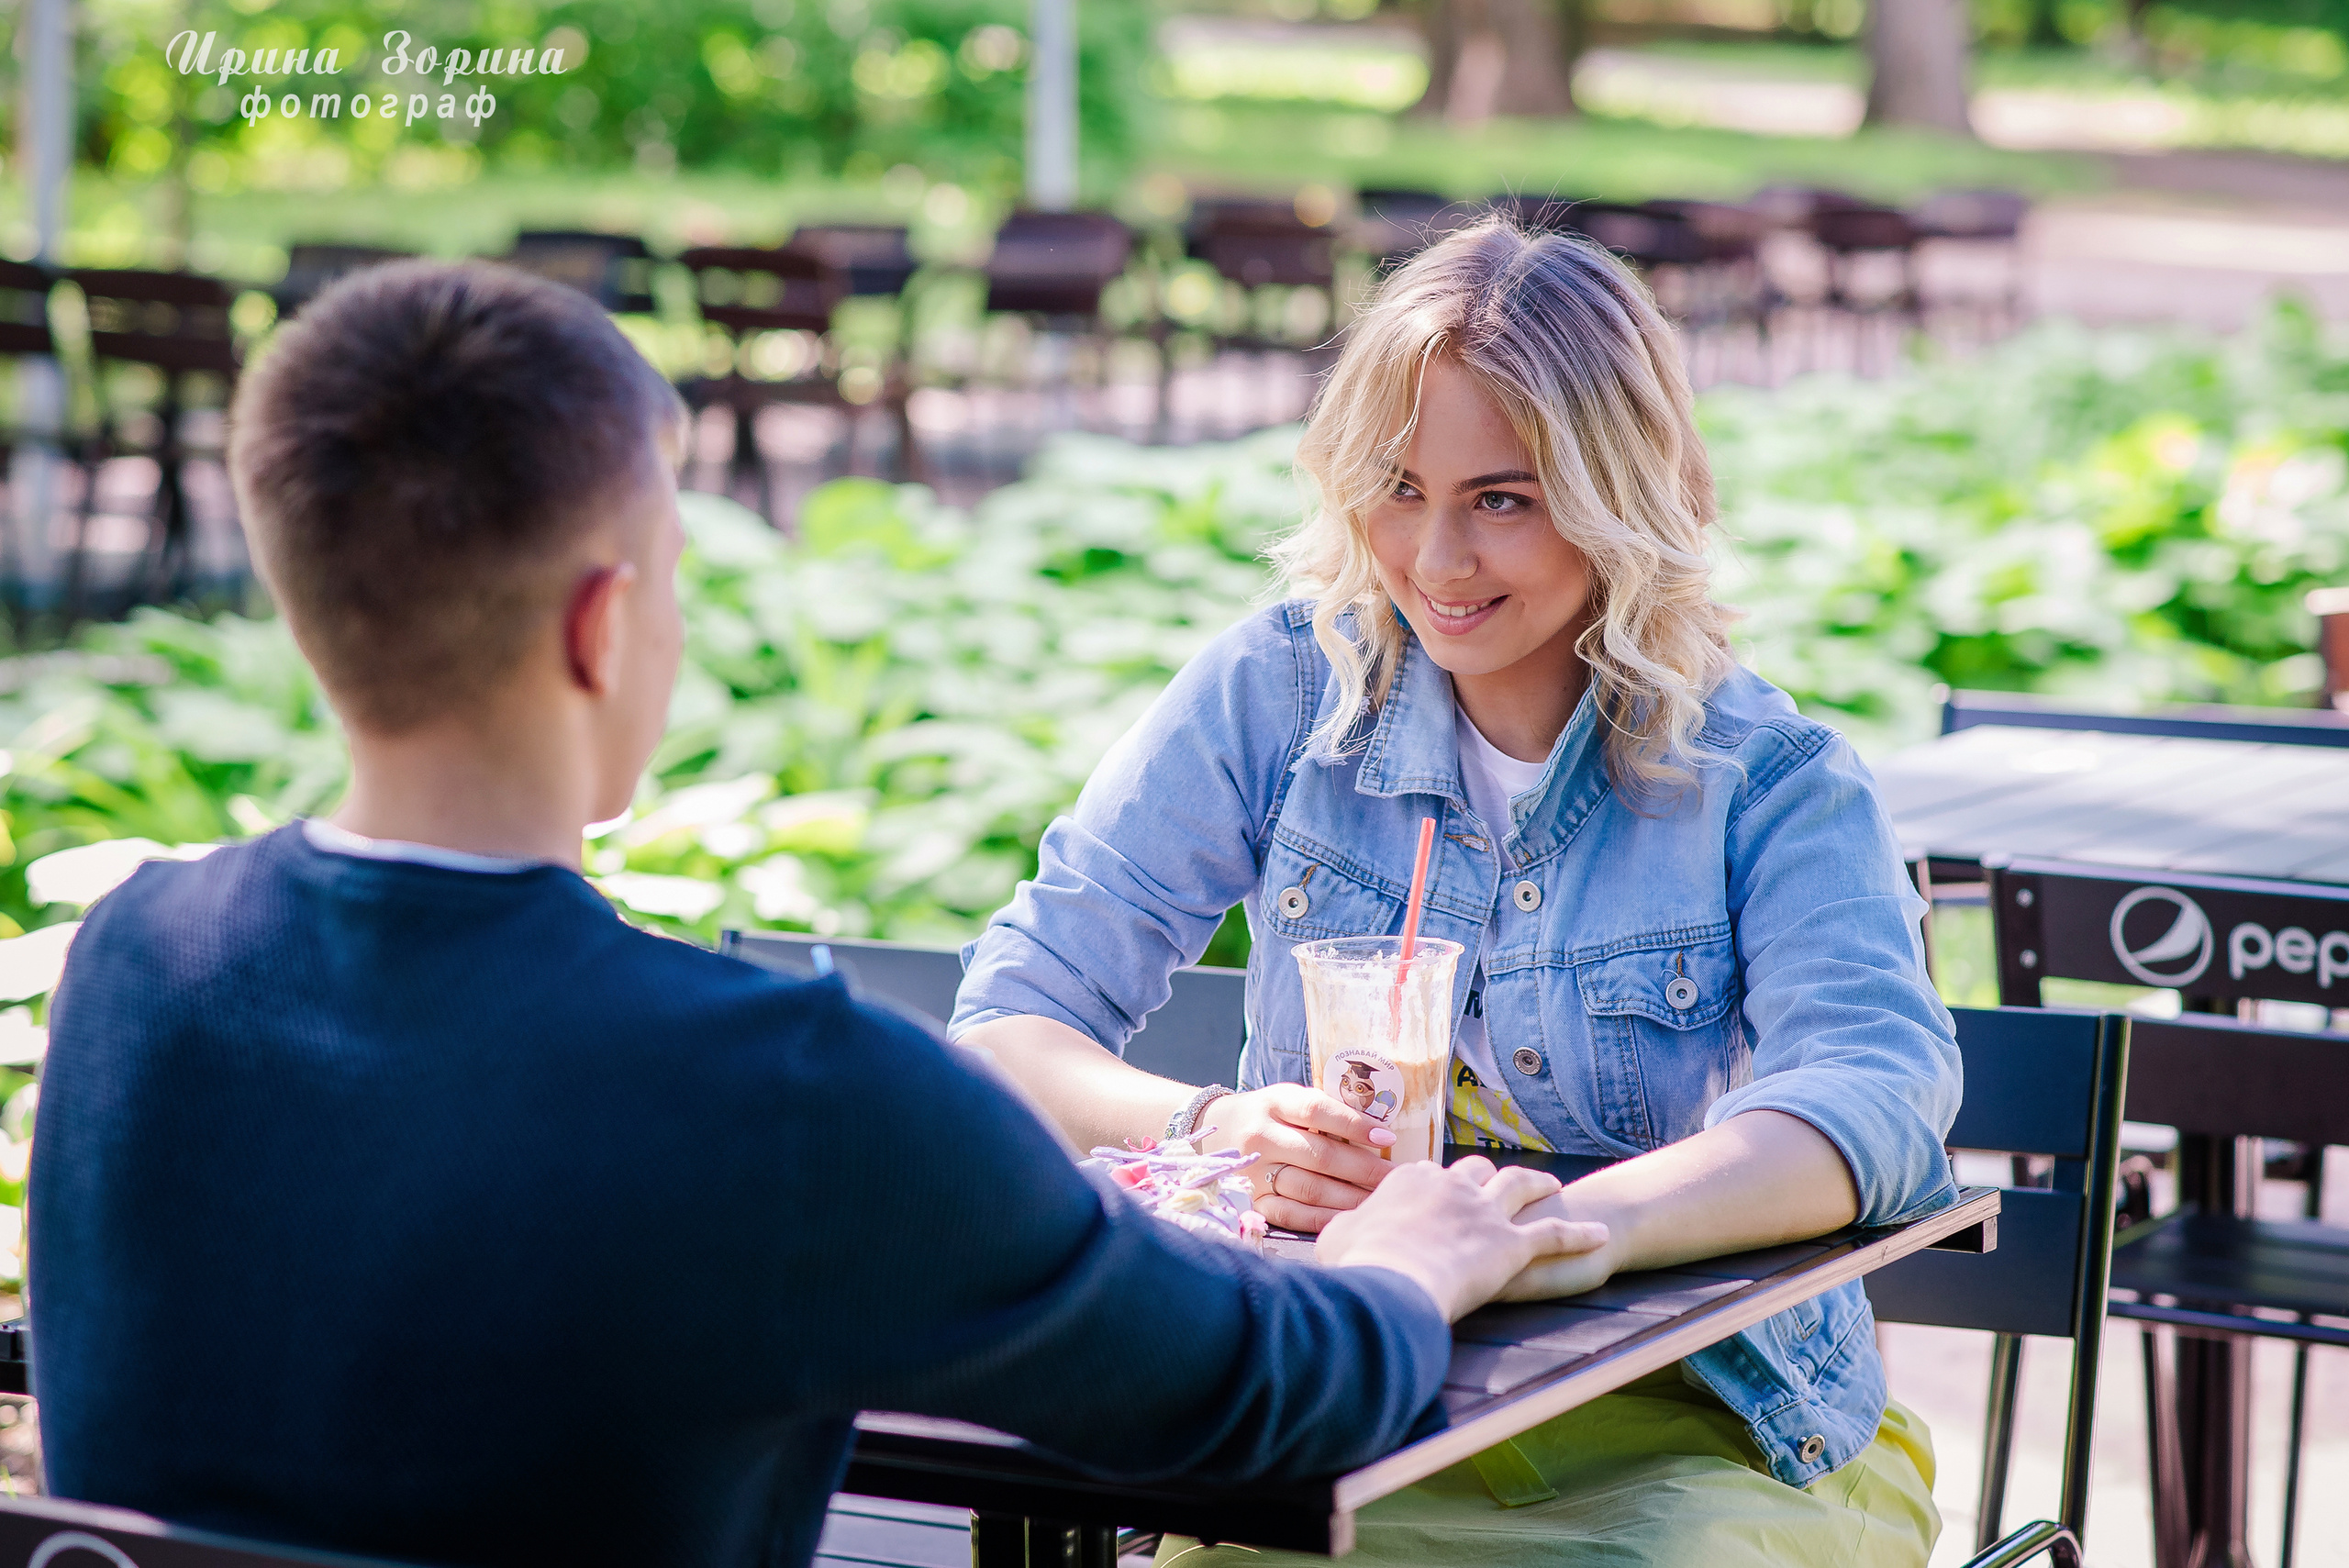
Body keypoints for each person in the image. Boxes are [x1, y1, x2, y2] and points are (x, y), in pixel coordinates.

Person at [25, 260, 1609, 1568]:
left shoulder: (135, 967)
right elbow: (1264, 1397)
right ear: (603, 627)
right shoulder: (786, 1090)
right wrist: (1406, 1259)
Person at [952, 218, 1964, 1566]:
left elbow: (1874, 1095)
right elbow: (1010, 1023)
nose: (1434, 562)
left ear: (1619, 496)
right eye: (1397, 487)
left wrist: (1574, 1229)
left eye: (1502, 498)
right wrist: (1218, 1125)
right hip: (1358, 1394)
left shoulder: (1766, 780)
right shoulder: (1280, 697)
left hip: (1710, 1430)